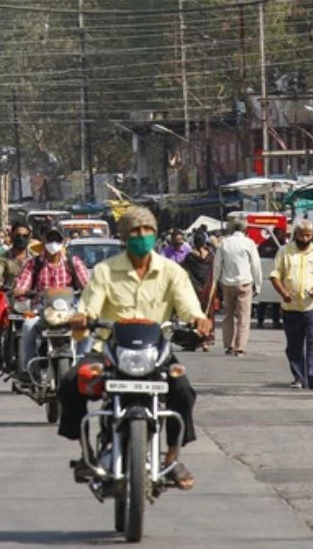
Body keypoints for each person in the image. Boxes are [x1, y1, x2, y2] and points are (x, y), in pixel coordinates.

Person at [59, 206, 210, 491]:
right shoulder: (105, 271)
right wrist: (81, 318)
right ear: (124, 237)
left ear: (155, 234)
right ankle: (85, 453)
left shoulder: (172, 271)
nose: (141, 236)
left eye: (147, 231)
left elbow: (188, 306)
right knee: (70, 382)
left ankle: (172, 458)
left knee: (183, 392)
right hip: (108, 351)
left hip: (156, 353)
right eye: (135, 232)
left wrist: (199, 320)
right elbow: (89, 307)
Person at [13, 227, 89, 376]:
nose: (53, 244)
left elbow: (87, 284)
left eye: (57, 240)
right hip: (41, 311)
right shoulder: (33, 264)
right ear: (44, 243)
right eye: (50, 240)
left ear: (62, 243)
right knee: (28, 327)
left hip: (69, 311)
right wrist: (20, 290)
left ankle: (83, 366)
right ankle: (29, 370)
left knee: (87, 329)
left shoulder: (73, 263)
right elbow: (23, 283)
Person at [270, 219, 313, 390]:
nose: (305, 239)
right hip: (291, 308)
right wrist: (284, 293)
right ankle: (299, 377)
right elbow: (275, 275)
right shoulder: (285, 251)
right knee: (294, 346)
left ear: (312, 235)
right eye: (302, 235)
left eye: (308, 236)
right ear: (296, 234)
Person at [0, 222, 34, 365]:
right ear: (11, 237)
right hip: (11, 300)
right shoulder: (3, 257)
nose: (21, 238)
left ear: (29, 238)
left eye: (24, 236)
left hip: (32, 302)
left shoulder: (36, 258)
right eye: (18, 235)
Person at [213, 218, 262, 356]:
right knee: (243, 316)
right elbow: (256, 265)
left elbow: (217, 264)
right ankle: (240, 347)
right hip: (245, 282)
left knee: (228, 315)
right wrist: (258, 285)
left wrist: (215, 282)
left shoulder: (224, 243)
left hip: (227, 283)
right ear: (245, 229)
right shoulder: (249, 243)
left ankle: (229, 346)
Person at [180, 231, 217, 352]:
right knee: (207, 314)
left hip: (194, 290)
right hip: (207, 290)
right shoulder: (210, 256)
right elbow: (213, 272)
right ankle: (205, 341)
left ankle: (195, 341)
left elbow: (184, 272)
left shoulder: (190, 257)